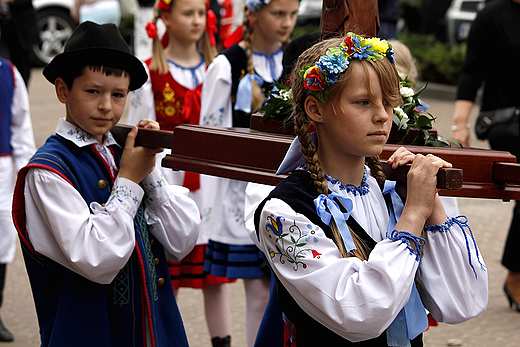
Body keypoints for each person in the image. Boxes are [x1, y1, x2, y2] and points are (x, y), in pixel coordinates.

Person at [252, 33, 488, 346]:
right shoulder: (284, 213)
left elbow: (463, 303)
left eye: (388, 103)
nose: (382, 115)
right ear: (316, 109)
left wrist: (430, 206)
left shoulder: (392, 190)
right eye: (363, 102)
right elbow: (360, 314)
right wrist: (414, 214)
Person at [11, 21, 200, 346]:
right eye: (92, 91)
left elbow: (182, 241)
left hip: (155, 333)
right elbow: (96, 257)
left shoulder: (123, 151)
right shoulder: (46, 172)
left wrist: (149, 171)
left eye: (118, 95)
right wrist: (128, 179)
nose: (107, 106)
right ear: (62, 90)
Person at [127, 1, 234, 346]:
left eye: (202, 13)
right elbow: (139, 134)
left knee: (214, 282)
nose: (197, 21)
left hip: (209, 183)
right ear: (166, 18)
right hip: (166, 180)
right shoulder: (148, 73)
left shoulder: (218, 69)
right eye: (188, 13)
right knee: (162, 275)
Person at [199, 0, 300, 346]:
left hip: (292, 189)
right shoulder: (228, 65)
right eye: (278, 14)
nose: (287, 23)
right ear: (253, 14)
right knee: (259, 294)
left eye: (292, 14)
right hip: (244, 194)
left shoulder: (301, 61)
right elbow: (212, 135)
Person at [449, 0, 520, 312]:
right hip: (509, 125)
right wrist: (459, 125)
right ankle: (515, 275)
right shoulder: (493, 14)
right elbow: (472, 70)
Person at [0, 56, 36, 342]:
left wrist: (28, 179)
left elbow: (20, 129)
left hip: (1, 167)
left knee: (1, 241)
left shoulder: (9, 73)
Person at [0, 0, 40, 86]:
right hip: (3, 28)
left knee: (22, 69)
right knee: (4, 67)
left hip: (21, 28)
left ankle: (21, 95)